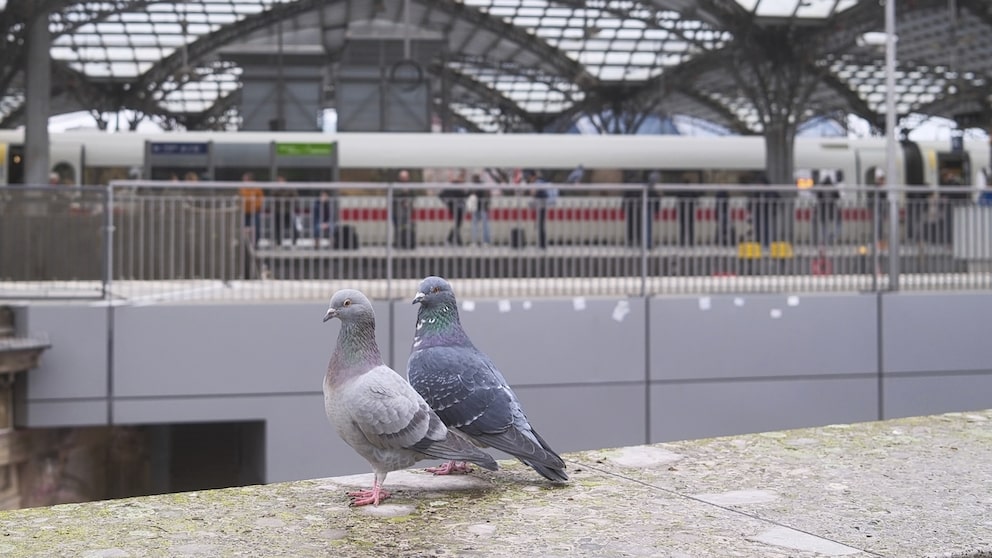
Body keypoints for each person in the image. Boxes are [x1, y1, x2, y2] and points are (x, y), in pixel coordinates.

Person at [439, 170, 468, 246]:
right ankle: (454, 241)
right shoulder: (455, 185)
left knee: (457, 224)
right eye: (462, 178)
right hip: (455, 207)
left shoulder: (460, 186)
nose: (463, 180)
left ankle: (454, 240)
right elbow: (441, 195)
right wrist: (449, 203)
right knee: (457, 224)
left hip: (459, 208)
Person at [525, 169, 553, 249]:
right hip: (542, 205)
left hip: (541, 205)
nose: (529, 179)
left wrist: (531, 185)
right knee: (540, 224)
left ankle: (542, 245)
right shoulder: (540, 181)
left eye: (530, 177)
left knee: (540, 225)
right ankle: (542, 244)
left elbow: (533, 193)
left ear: (533, 177)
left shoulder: (538, 182)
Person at [270, 175, 298, 248]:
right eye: (278, 181)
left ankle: (294, 243)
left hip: (288, 211)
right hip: (278, 211)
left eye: (281, 181)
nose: (280, 182)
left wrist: (287, 200)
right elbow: (273, 197)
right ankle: (278, 243)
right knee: (278, 228)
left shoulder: (290, 188)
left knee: (293, 227)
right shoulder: (275, 189)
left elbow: (295, 197)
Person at [238, 172, 264, 247]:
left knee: (256, 227)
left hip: (255, 211)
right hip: (244, 211)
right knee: (244, 228)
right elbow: (240, 197)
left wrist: (255, 206)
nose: (243, 180)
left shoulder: (256, 187)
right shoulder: (242, 188)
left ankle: (255, 243)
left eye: (245, 179)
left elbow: (260, 198)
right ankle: (245, 244)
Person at [392, 169, 415, 249]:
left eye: (405, 177)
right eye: (402, 177)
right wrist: (403, 193)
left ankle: (406, 242)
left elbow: (413, 196)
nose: (404, 179)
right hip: (397, 210)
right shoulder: (395, 186)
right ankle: (397, 242)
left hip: (407, 210)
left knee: (406, 226)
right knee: (397, 226)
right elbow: (393, 196)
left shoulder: (411, 187)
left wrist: (409, 202)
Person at [814, 175, 840, 245]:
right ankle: (832, 237)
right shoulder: (833, 188)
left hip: (822, 210)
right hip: (832, 209)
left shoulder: (821, 188)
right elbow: (838, 196)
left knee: (824, 226)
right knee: (836, 224)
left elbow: (818, 197)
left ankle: (825, 239)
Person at [469, 173, 492, 246]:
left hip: (477, 208)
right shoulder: (483, 186)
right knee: (485, 225)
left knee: (475, 225)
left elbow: (471, 196)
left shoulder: (474, 187)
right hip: (483, 208)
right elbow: (488, 196)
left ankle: (474, 241)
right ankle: (486, 241)